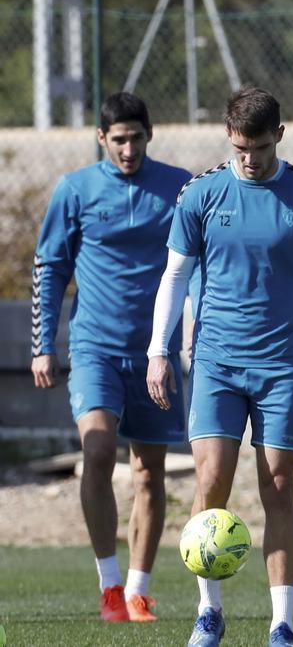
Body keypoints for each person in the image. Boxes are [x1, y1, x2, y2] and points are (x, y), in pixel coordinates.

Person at [146, 86, 293, 647]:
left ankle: (282, 624)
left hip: (283, 365)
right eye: (242, 147)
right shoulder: (200, 194)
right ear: (229, 136)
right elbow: (173, 278)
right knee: (211, 479)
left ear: (280, 137)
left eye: (262, 147)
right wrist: (158, 350)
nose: (251, 158)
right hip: (217, 361)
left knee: (277, 486)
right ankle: (209, 611)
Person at [31, 92, 192, 624]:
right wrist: (42, 345)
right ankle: (109, 587)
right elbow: (50, 267)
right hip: (94, 347)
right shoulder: (75, 190)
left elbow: (202, 262)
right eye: (118, 139)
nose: (128, 148)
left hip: (157, 354)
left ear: (151, 135)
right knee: (98, 452)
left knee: (149, 474)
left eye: (136, 137)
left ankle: (139, 592)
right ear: (103, 138)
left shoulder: (178, 187)